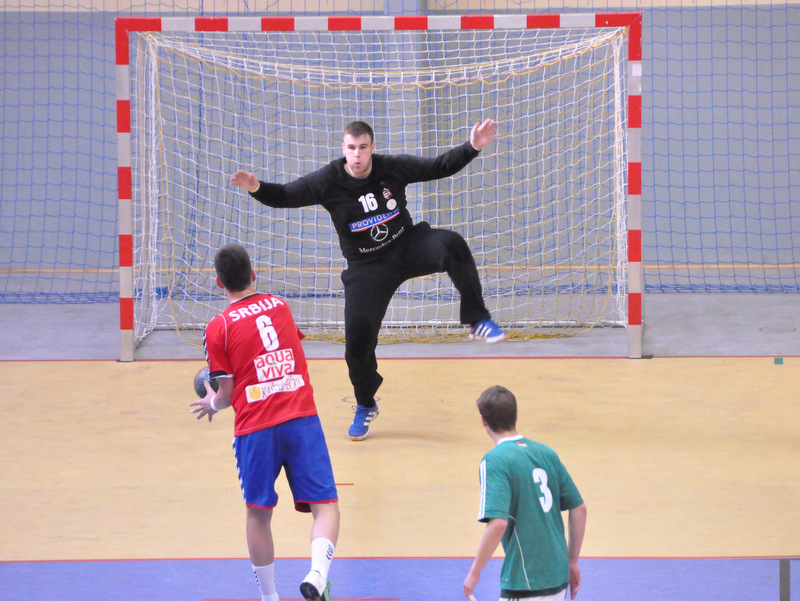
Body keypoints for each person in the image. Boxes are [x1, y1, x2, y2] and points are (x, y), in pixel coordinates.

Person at [230, 119, 505, 441]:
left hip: (407, 246)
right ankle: (365, 403)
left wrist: (472, 147)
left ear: (372, 147)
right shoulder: (328, 180)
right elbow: (286, 195)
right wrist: (257, 188)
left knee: (452, 243)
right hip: (367, 267)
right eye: (351, 148)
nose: (357, 155)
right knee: (357, 345)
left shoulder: (392, 167)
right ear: (343, 149)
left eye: (363, 148)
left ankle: (477, 319)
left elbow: (439, 166)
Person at [190, 243, 340, 601]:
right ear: (253, 275)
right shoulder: (279, 305)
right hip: (300, 416)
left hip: (256, 428)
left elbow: (227, 394)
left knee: (258, 515)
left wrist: (212, 403)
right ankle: (317, 576)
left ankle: (270, 597)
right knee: (325, 506)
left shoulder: (218, 327)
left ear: (219, 282)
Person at [463, 385, 587, 601]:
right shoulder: (546, 453)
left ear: (483, 420)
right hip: (558, 578)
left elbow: (498, 523)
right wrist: (572, 561)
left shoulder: (494, 460)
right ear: (516, 416)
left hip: (526, 581)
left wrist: (475, 572)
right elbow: (579, 508)